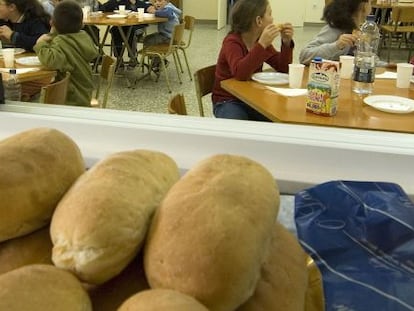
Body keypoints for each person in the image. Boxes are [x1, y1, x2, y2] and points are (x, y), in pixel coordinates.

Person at [212, 0, 294, 121]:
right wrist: (262, 44)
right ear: (258, 21)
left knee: (278, 119)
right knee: (240, 129)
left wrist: (286, 43)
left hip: (251, 98)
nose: (273, 19)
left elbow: (283, 68)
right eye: (270, 14)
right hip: (228, 100)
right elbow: (240, 74)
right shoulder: (232, 42)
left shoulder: (259, 41)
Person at [34, 0, 99, 106]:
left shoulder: (61, 42)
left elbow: (51, 61)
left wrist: (40, 44)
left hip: (72, 98)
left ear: (52, 23)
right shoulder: (83, 36)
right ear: (81, 23)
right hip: (85, 93)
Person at [299, 0, 371, 65]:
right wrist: (336, 46)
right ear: (363, 6)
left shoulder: (359, 30)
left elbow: (369, 59)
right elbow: (304, 57)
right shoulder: (334, 30)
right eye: (370, 2)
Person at [101, 0, 151, 68]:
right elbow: (102, 8)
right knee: (115, 30)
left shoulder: (140, 3)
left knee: (131, 31)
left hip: (137, 26)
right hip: (121, 26)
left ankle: (133, 57)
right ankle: (119, 58)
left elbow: (150, 8)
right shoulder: (118, 2)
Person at [145, 0, 181, 73]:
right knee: (148, 38)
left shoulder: (168, 8)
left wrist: (154, 11)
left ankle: (158, 63)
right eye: (155, 1)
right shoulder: (170, 7)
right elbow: (148, 3)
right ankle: (158, 60)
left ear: (167, 1)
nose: (157, 3)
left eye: (160, 0)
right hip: (171, 36)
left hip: (168, 37)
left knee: (149, 41)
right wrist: (152, 5)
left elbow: (167, 13)